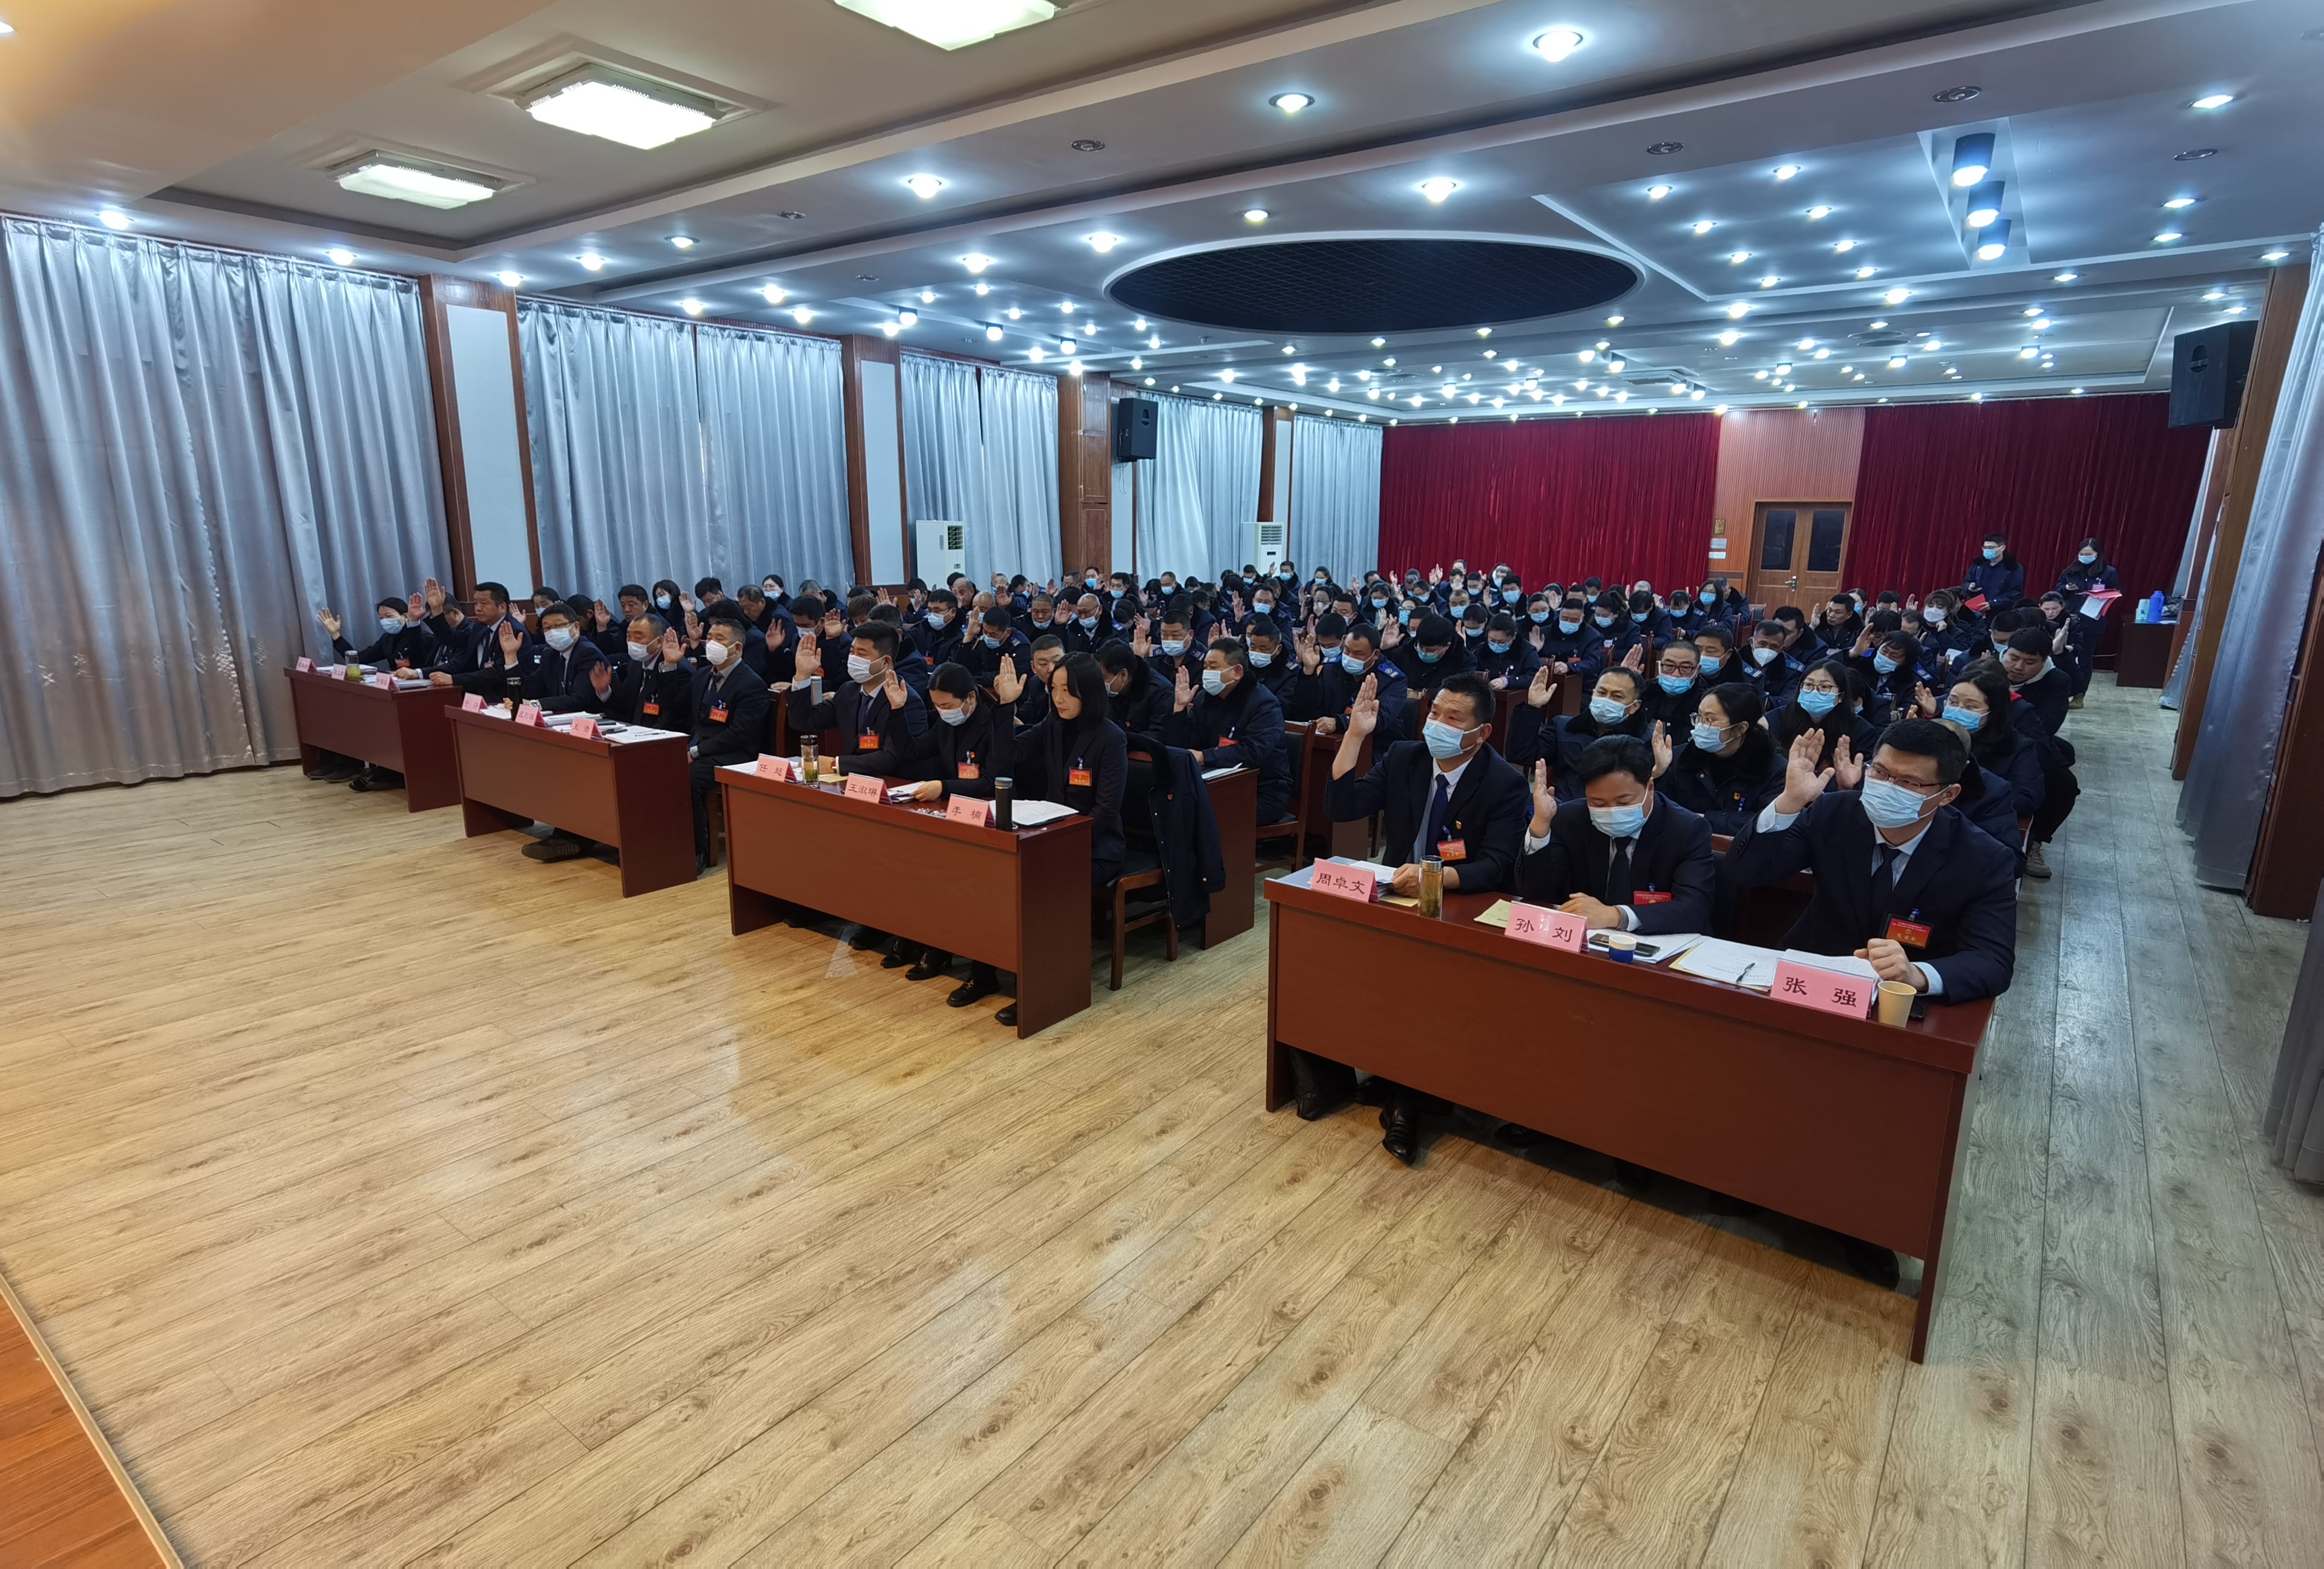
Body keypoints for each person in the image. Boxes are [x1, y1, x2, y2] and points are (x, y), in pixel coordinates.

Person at [1302, 671, 1526, 1162]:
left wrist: (1432, 877)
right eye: (1435, 713)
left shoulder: (1505, 782)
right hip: (1395, 899)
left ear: (1482, 732)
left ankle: (1408, 1101)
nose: (1437, 724)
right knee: (1325, 960)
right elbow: (1341, 806)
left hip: (1460, 907)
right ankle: (1342, 1073)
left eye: (1454, 718)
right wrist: (1355, 736)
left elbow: (1497, 865)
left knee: (1426, 994)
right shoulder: (1406, 756)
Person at [983, 652, 1128, 1026]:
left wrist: (1064, 844)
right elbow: (1006, 760)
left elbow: (1106, 810)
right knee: (995, 874)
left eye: (1068, 691)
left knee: (1038, 888)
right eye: (1054, 690)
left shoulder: (1111, 738)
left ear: (1089, 693)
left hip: (1094, 847)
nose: (1059, 699)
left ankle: (1040, 988)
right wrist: (1006, 707)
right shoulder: (1052, 724)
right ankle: (983, 973)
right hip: (1049, 838)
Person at [1518, 735, 1716, 935]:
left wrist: (1615, 916)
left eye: (1624, 802)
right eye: (1598, 803)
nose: (1612, 811)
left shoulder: (1686, 829)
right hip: (1586, 943)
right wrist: (1541, 825)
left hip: (1659, 943)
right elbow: (1534, 892)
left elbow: (1695, 909)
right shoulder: (1569, 819)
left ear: (1650, 788)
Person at [308, 596, 438, 786]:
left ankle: (384, 770)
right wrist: (336, 635)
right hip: (394, 690)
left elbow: (419, 649)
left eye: (389, 616)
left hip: (419, 693)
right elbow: (359, 658)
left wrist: (414, 623)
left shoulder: (421, 637)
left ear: (405, 616)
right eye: (381, 618)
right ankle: (343, 762)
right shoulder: (387, 639)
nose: (385, 621)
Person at [1161, 637, 1293, 824]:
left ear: (1237, 672)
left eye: (1213, 667)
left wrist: (1204, 756)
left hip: (1262, 790)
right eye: (1205, 667)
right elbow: (1186, 744)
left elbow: (1253, 752)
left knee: (1200, 814)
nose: (1207, 672)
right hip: (1212, 783)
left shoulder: (1264, 703)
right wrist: (1179, 710)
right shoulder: (1204, 699)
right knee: (1168, 805)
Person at [686, 613, 772, 872]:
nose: (711, 643)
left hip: (736, 753)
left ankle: (698, 851)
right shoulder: (702, 676)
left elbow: (739, 734)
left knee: (690, 778)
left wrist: (695, 752)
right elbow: (696, 721)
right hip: (702, 746)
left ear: (737, 649)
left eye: (720, 639)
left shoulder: (751, 684)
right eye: (710, 637)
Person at [1658, 683, 1784, 835]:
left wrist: (1701, 820)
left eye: (1710, 720)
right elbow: (1660, 808)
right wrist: (1657, 774)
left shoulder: (1774, 769)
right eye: (1699, 717)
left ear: (1740, 729)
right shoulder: (1680, 756)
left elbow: (1765, 822)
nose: (1700, 726)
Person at [1769, 660, 1880, 774]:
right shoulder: (1778, 718)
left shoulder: (1863, 732)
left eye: (1824, 687)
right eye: (1808, 685)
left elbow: (1866, 771)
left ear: (1841, 696)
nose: (1814, 692)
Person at [2000, 626, 2072, 738]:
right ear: (2005, 652)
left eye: (2029, 662)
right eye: (2014, 659)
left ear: (2044, 661)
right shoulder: (1988, 669)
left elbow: (2046, 727)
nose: (2019, 667)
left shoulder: (2057, 681)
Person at [1098, 641, 1171, 735]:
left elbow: (1158, 734)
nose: (1100, 682)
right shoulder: (1112, 690)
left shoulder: (1161, 693)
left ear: (1124, 675)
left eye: (1104, 677)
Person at [1643, 639, 1707, 730]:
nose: (1676, 674)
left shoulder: (1705, 702)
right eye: (1669, 666)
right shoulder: (1644, 691)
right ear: (1659, 666)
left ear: (1697, 670)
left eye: (1685, 667)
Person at [1963, 532, 2026, 608]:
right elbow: (1966, 582)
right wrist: (1970, 587)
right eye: (1985, 548)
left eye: (1991, 548)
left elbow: (2015, 592)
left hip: (2001, 610)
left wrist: (1994, 603)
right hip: (1977, 608)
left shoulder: (2013, 567)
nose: (1987, 550)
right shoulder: (1978, 564)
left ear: (2002, 548)